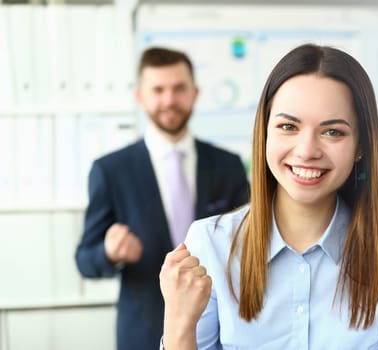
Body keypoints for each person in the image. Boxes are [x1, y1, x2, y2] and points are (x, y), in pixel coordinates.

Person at [159, 43, 378, 350]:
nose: (307, 150)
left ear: (361, 147)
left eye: (333, 132)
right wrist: (177, 323)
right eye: (288, 126)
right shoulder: (210, 243)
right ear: (265, 132)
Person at [75, 47, 250, 350]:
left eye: (179, 89)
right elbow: (84, 259)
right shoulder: (110, 170)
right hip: (141, 332)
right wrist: (109, 252)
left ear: (195, 93)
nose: (169, 100)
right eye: (158, 90)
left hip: (220, 330)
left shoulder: (228, 165)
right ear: (140, 97)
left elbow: (249, 243)